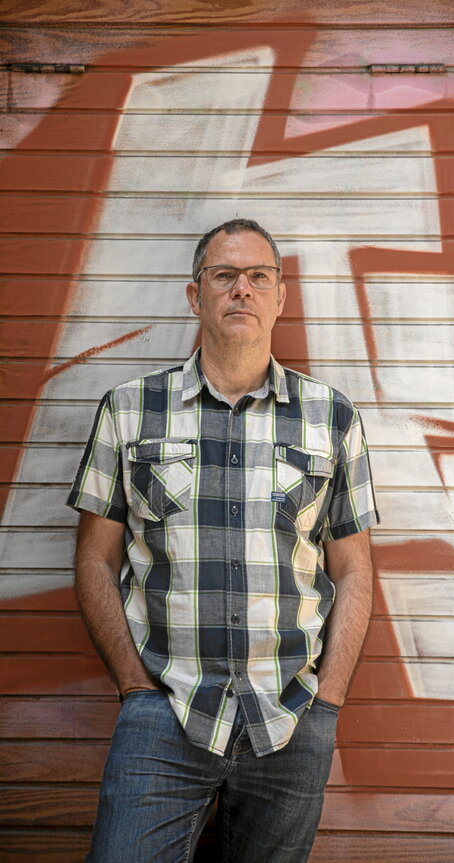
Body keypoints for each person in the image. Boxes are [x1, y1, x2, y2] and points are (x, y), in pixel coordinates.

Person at [68, 218, 379, 863]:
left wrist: (328, 702)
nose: (242, 289)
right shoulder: (129, 410)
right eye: (224, 275)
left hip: (291, 718)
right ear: (195, 295)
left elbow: (353, 569)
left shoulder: (331, 416)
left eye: (259, 276)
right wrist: (134, 686)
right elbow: (95, 558)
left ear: (280, 296)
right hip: (166, 711)